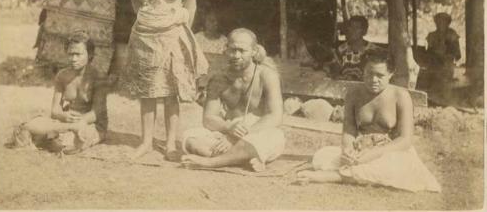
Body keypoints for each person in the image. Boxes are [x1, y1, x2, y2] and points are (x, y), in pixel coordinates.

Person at [122, 0, 208, 161]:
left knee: (171, 92)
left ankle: (170, 144)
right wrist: (152, 23)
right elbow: (136, 4)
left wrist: (181, 33)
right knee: (148, 91)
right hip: (146, 37)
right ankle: (146, 142)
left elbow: (191, 5)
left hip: (173, 37)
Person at [296, 50, 441, 192]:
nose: (373, 80)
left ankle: (332, 176)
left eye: (380, 75)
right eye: (369, 74)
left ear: (391, 74)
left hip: (391, 152)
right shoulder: (354, 94)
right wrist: (348, 151)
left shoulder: (401, 96)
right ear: (363, 72)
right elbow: (349, 130)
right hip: (361, 150)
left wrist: (372, 155)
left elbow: (405, 140)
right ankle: (355, 171)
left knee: (398, 167)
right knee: (322, 156)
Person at [181, 28, 285, 171]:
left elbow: (275, 116)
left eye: (242, 51)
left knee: (276, 137)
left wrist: (238, 136)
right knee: (190, 138)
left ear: (254, 51)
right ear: (226, 50)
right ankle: (240, 158)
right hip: (228, 132)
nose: (236, 55)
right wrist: (229, 129)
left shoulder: (267, 76)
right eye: (233, 50)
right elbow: (209, 119)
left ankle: (211, 162)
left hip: (256, 132)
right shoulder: (219, 79)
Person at [11, 30, 108, 154]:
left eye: (78, 54)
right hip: (66, 122)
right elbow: (55, 111)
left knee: (69, 143)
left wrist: (79, 122)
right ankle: (56, 135)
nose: (73, 59)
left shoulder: (98, 78)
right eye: (70, 54)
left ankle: (55, 137)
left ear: (90, 54)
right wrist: (63, 116)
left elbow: (96, 114)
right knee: (27, 127)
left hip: (90, 124)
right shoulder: (62, 76)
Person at [325, 16, 382, 81]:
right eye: (350, 27)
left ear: (364, 31)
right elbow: (335, 72)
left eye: (356, 28)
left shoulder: (374, 51)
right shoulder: (341, 50)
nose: (351, 30)